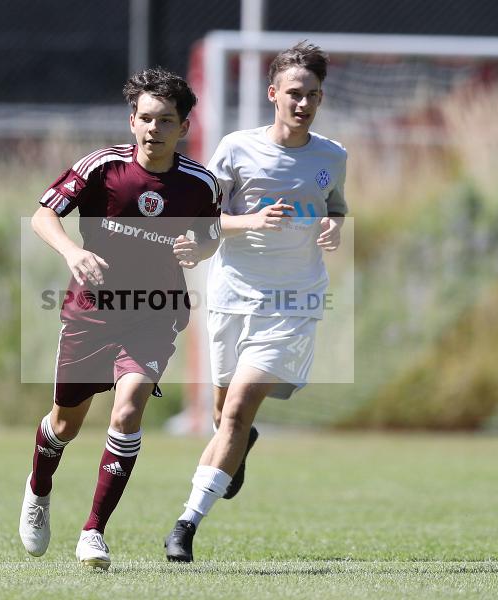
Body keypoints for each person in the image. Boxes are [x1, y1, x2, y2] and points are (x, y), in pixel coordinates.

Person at [19, 67, 221, 570]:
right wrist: (70, 251)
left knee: (128, 409)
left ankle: (93, 531)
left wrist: (197, 248)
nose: (155, 128)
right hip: (91, 312)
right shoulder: (101, 169)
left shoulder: (200, 184)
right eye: (146, 118)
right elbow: (45, 214)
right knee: (64, 424)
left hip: (155, 313)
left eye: (166, 120)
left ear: (184, 127)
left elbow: (212, 234)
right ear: (133, 121)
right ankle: (39, 489)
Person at [164, 41, 348, 562]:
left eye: (312, 95)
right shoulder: (236, 149)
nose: (303, 104)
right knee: (226, 413)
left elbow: (336, 209)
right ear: (273, 94)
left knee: (239, 407)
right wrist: (247, 222)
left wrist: (334, 226)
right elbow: (205, 222)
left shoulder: (332, 157)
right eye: (294, 93)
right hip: (232, 295)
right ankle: (237, 446)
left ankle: (184, 526)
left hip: (292, 302)